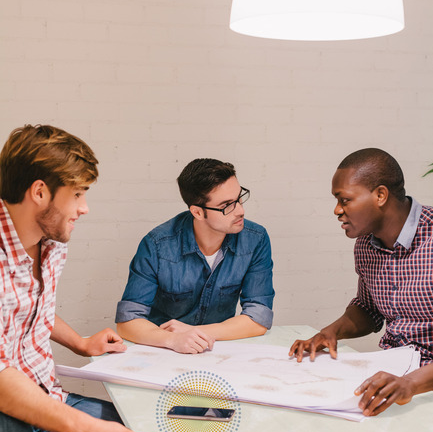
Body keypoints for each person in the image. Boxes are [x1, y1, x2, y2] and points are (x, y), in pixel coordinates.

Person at [0, 125, 173, 432]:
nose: (85, 208)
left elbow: (22, 308)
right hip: (7, 409)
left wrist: (79, 343)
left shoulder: (49, 238)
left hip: (43, 396)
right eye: (78, 194)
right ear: (40, 192)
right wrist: (82, 427)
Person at [289, 147, 433, 417]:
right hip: (392, 378)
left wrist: (411, 384)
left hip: (421, 388)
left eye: (344, 200)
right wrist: (330, 332)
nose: (337, 210)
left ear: (380, 195)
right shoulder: (366, 245)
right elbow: (368, 310)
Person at [116, 158, 274, 354]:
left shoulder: (255, 239)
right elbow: (128, 321)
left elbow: (259, 318)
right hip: (164, 352)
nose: (240, 211)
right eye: (227, 205)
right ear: (197, 212)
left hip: (218, 350)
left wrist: (193, 333)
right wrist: (173, 340)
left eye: (239, 198)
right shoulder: (157, 245)